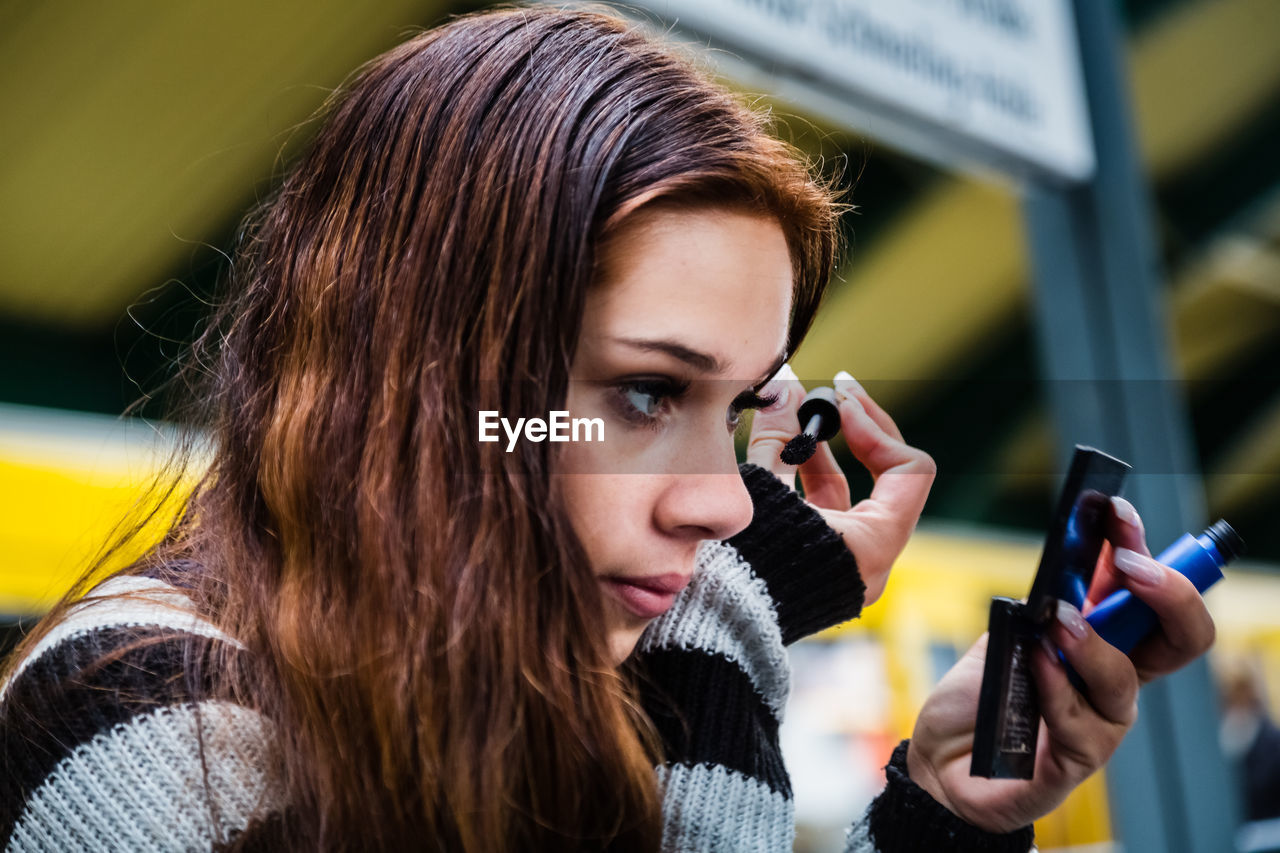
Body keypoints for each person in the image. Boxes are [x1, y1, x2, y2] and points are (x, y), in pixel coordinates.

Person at [0, 6, 1216, 851]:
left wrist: (950, 811)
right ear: (424, 377)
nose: (732, 501)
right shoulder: (152, 718)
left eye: (736, 410)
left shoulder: (525, 688)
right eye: (644, 391)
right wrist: (727, 609)